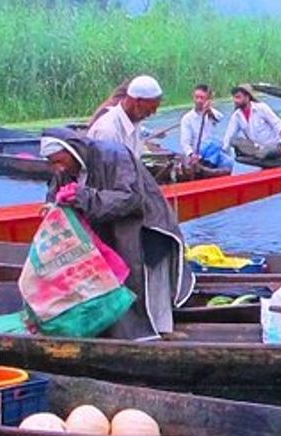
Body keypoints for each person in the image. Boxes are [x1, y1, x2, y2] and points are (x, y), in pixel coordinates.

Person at [39, 128, 194, 341]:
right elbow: (56, 189)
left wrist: (85, 197)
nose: (57, 167)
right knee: (113, 278)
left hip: (144, 224)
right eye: (52, 163)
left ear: (72, 150)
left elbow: (129, 198)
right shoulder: (65, 169)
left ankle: (159, 332)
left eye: (58, 160)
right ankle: (121, 330)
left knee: (144, 281)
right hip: (110, 228)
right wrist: (51, 204)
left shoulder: (114, 156)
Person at [87, 74, 162, 160]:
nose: (153, 113)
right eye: (151, 108)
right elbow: (106, 171)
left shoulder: (136, 123)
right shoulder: (109, 132)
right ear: (137, 102)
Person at [178, 83, 234, 178]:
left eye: (202, 98)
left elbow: (219, 118)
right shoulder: (187, 118)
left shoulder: (210, 114)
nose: (199, 101)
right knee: (214, 144)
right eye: (197, 97)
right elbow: (185, 143)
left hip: (211, 152)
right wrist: (191, 155)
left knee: (228, 160)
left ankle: (212, 165)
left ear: (207, 100)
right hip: (198, 152)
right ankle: (209, 164)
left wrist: (208, 111)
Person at [222, 83, 281, 161]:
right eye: (234, 98)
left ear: (247, 97)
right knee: (234, 141)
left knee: (266, 152)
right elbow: (229, 135)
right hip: (257, 148)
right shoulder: (236, 116)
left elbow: (277, 123)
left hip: (274, 146)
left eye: (238, 97)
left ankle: (260, 155)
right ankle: (258, 154)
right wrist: (224, 151)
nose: (235, 101)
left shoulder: (261, 108)